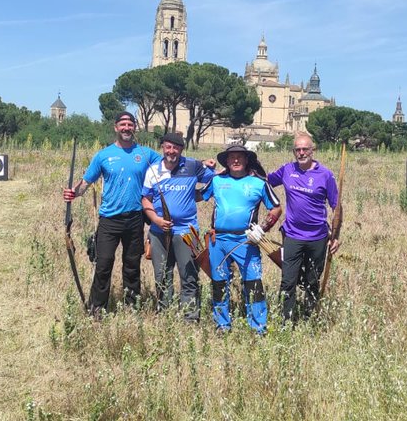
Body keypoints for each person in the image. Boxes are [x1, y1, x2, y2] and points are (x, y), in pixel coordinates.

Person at [63, 111, 161, 317]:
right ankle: (97, 309)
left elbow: (171, 163)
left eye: (130, 124)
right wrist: (73, 192)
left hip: (135, 218)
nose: (127, 128)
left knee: (132, 266)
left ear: (135, 128)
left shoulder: (145, 154)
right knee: (104, 264)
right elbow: (85, 184)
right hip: (109, 220)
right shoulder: (103, 155)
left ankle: (132, 307)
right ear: (115, 127)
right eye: (122, 124)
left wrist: (200, 165)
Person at [200, 145, 281, 334]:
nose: (235, 161)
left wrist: (262, 228)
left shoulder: (259, 183)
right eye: (232, 158)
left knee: (253, 284)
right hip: (218, 240)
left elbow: (276, 208)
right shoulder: (217, 180)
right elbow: (197, 196)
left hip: (247, 241)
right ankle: (222, 325)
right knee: (219, 283)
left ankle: (258, 328)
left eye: (239, 157)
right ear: (226, 162)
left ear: (246, 160)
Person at [265, 132, 339, 323]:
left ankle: (309, 318)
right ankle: (286, 321)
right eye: (297, 149)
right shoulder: (287, 170)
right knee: (288, 281)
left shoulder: (326, 175)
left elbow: (337, 207)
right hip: (292, 235)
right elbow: (265, 180)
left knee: (312, 281)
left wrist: (336, 236)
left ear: (313, 150)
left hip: (318, 237)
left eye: (305, 149)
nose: (301, 152)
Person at [140, 131, 214, 322]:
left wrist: (201, 195)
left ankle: (190, 319)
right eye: (167, 147)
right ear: (163, 148)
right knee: (162, 276)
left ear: (181, 149)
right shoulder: (153, 170)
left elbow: (215, 181)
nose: (171, 151)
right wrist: (155, 220)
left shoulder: (193, 166)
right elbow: (146, 199)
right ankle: (165, 317)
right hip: (158, 233)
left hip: (190, 232)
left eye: (175, 147)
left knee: (190, 276)